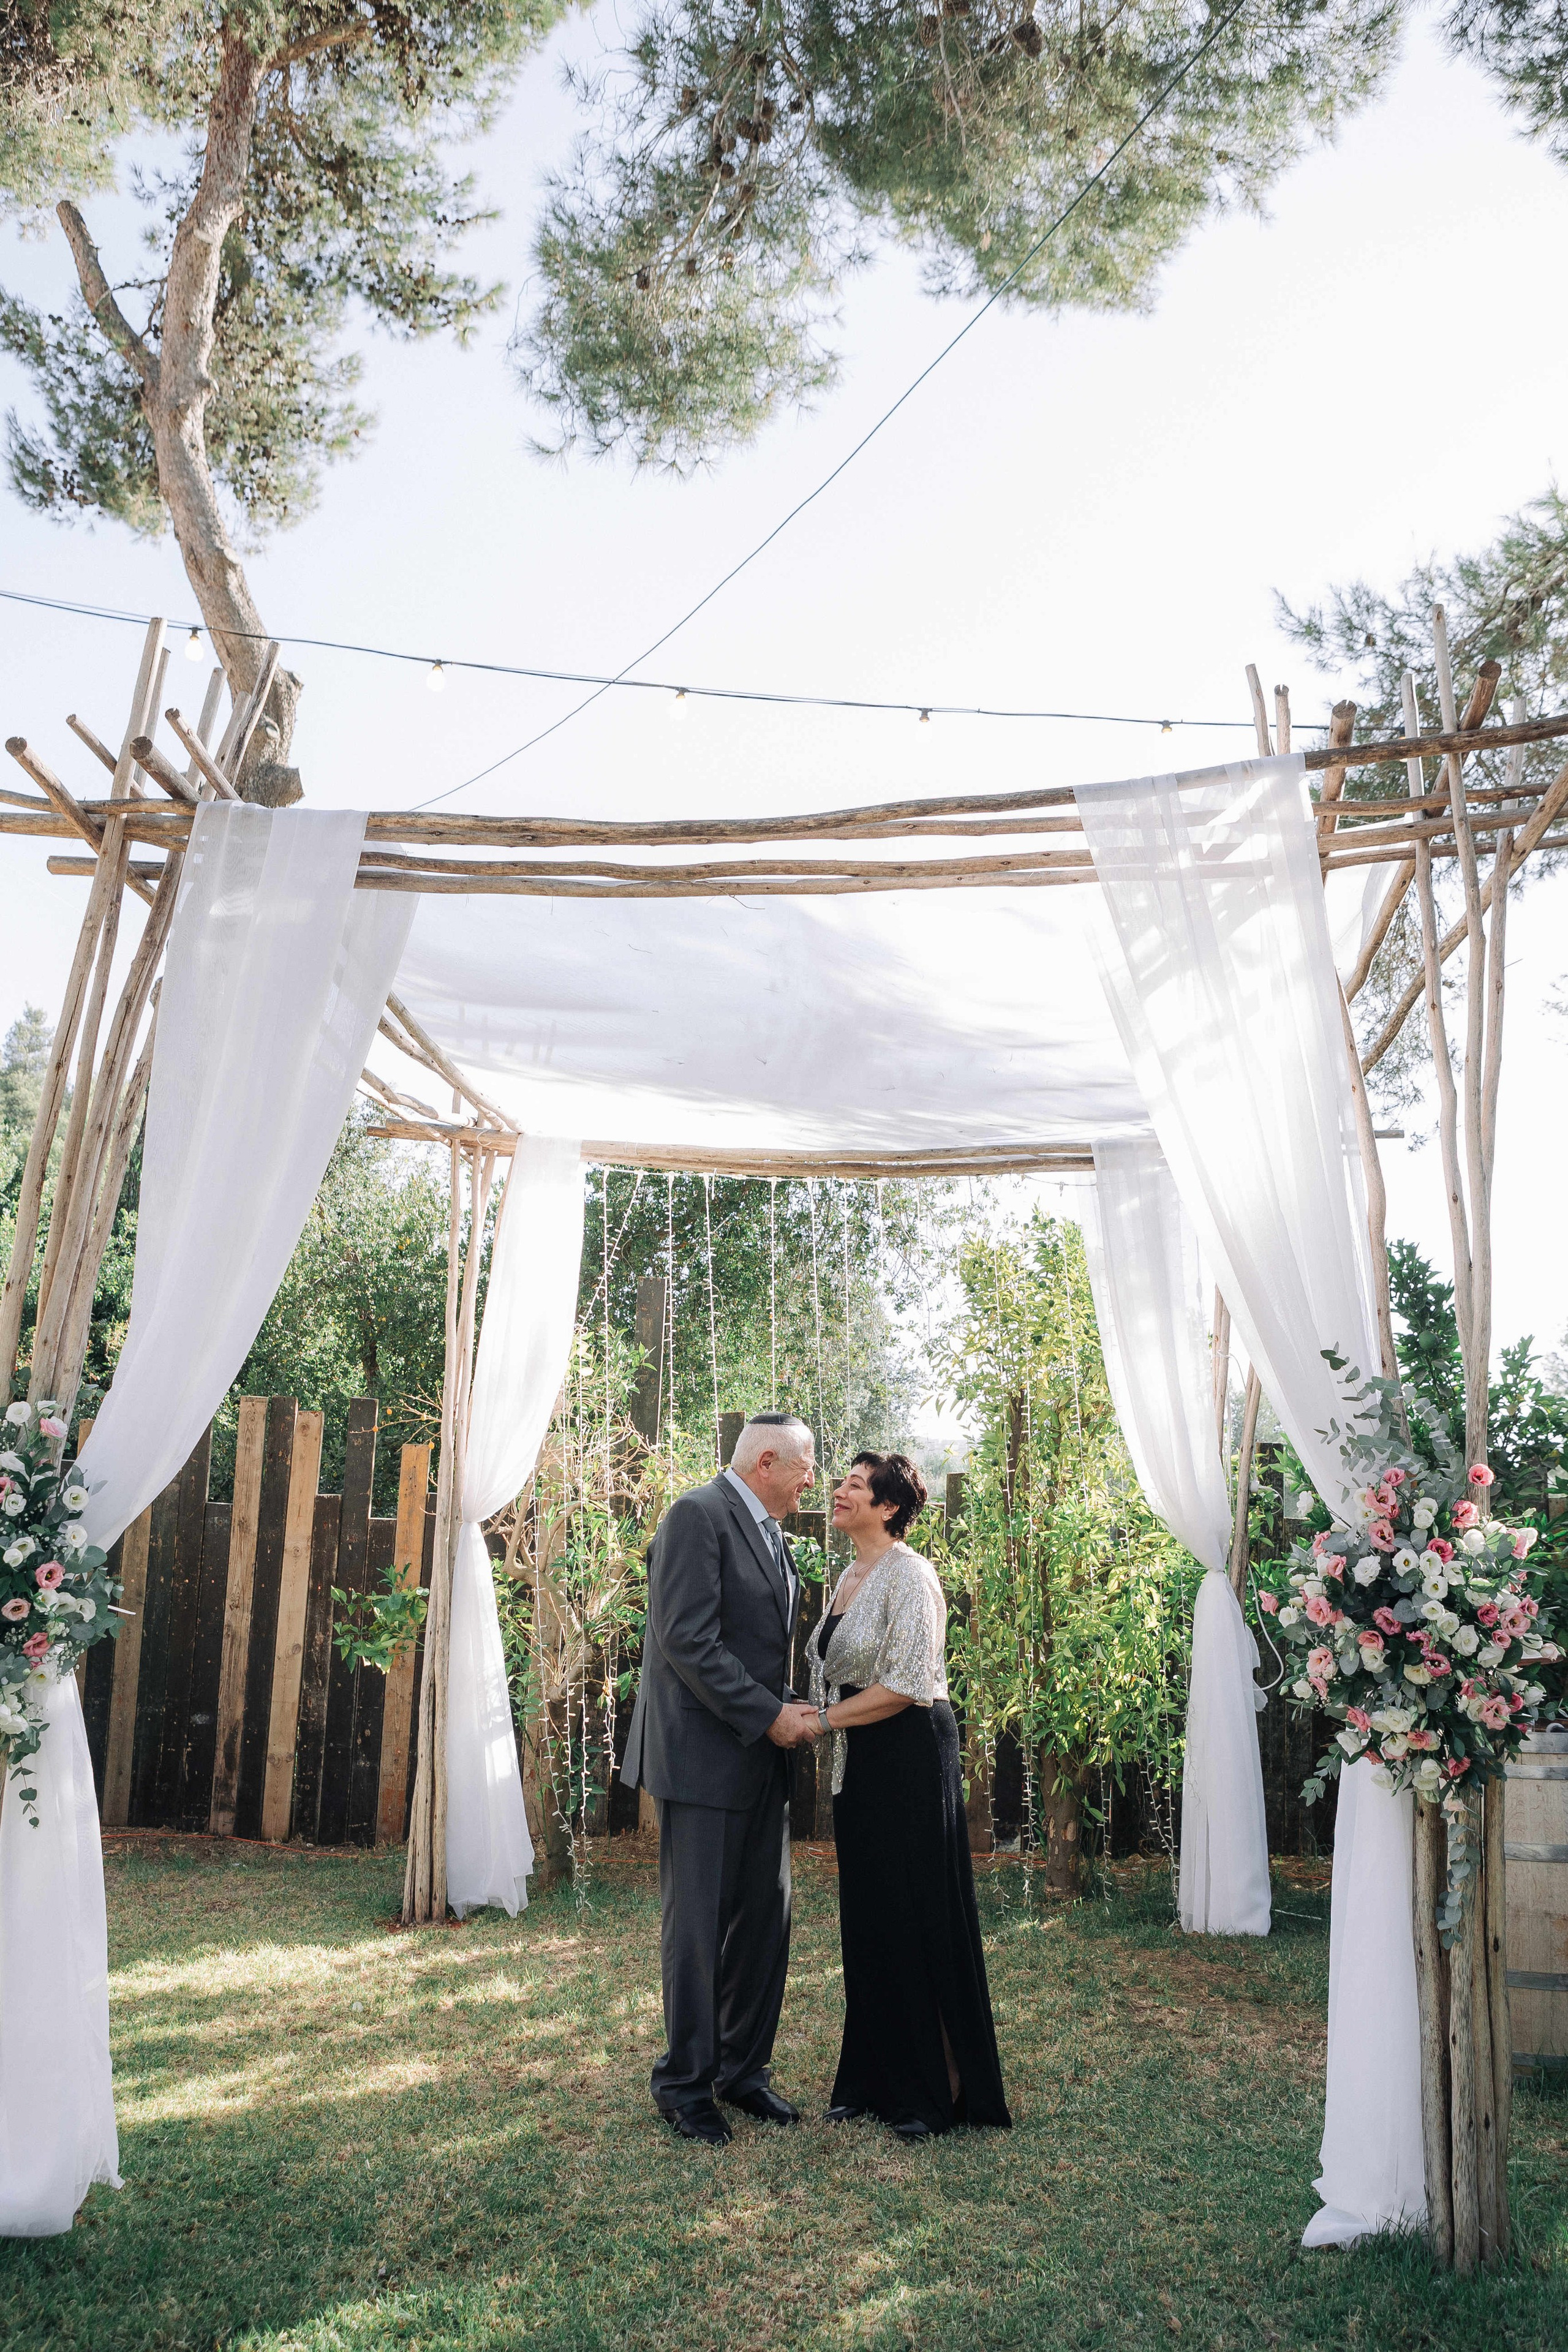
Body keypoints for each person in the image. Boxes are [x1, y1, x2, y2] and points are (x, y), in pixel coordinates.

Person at [620, 1412, 820, 2147]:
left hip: (762, 1758)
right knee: (699, 1931)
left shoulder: (772, 1533)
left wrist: (788, 1710)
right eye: (804, 1468)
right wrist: (768, 1714)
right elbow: (686, 1640)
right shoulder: (695, 1517)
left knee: (765, 1920)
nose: (811, 1483)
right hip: (704, 1760)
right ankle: (684, 2085)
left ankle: (742, 2073)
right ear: (766, 1461)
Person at [803, 1450, 1011, 2140]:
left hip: (910, 1754)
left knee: (917, 1912)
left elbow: (907, 1685)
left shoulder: (910, 1574)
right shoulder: (848, 1574)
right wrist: (821, 1718)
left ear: (888, 1507)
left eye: (853, 1486)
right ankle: (867, 2080)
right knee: (869, 1916)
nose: (838, 1492)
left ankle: (936, 2091)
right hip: (859, 1761)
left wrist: (821, 1722)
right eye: (841, 1483)